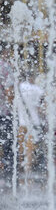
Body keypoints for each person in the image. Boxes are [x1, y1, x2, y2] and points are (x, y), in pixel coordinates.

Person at [17, 70, 44, 174]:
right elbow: (42, 106)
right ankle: (28, 167)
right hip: (34, 121)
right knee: (30, 146)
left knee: (21, 144)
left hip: (22, 121)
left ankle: (20, 165)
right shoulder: (38, 89)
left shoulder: (20, 87)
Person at [0, 47, 14, 175]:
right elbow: (9, 92)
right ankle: (8, 173)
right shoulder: (5, 67)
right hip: (3, 112)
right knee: (8, 143)